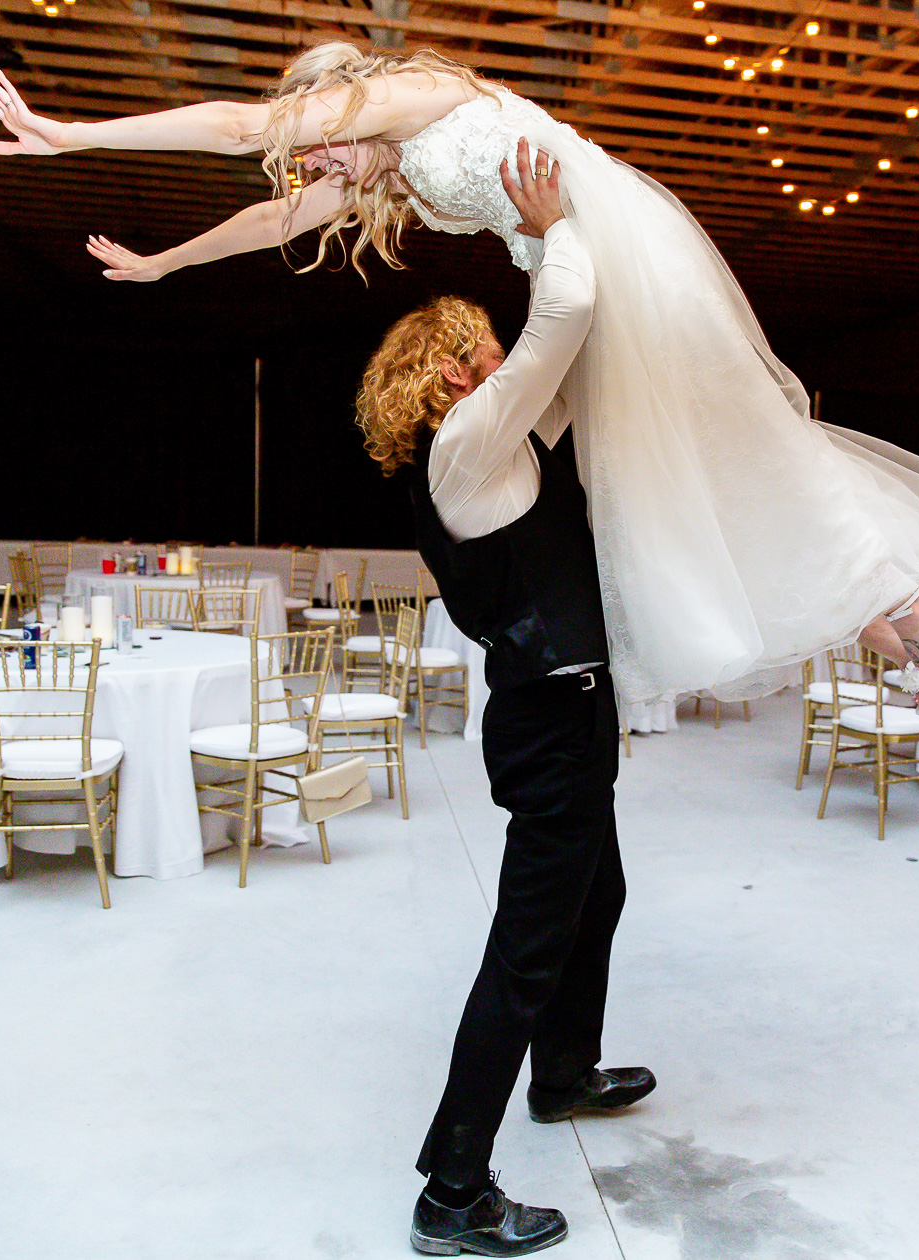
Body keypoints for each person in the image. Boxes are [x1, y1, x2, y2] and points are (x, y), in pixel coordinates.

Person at [0, 46, 919, 710]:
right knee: (676, 470)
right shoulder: (385, 167)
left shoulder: (412, 99)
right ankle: (901, 620)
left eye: (316, 156)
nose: (315, 180)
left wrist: (75, 134)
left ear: (335, 114)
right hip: (566, 256)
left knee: (729, 438)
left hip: (607, 244)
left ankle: (908, 598)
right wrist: (164, 263)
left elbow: (239, 125)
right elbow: (270, 221)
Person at [354, 158, 647, 1256]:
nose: (498, 355)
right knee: (527, 948)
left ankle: (563, 1074)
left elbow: (569, 345)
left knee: (597, 897)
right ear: (445, 376)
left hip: (569, 710)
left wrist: (537, 237)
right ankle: (454, 1190)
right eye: (479, 345)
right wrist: (551, 226)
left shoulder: (506, 440)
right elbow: (565, 313)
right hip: (549, 722)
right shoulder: (467, 447)